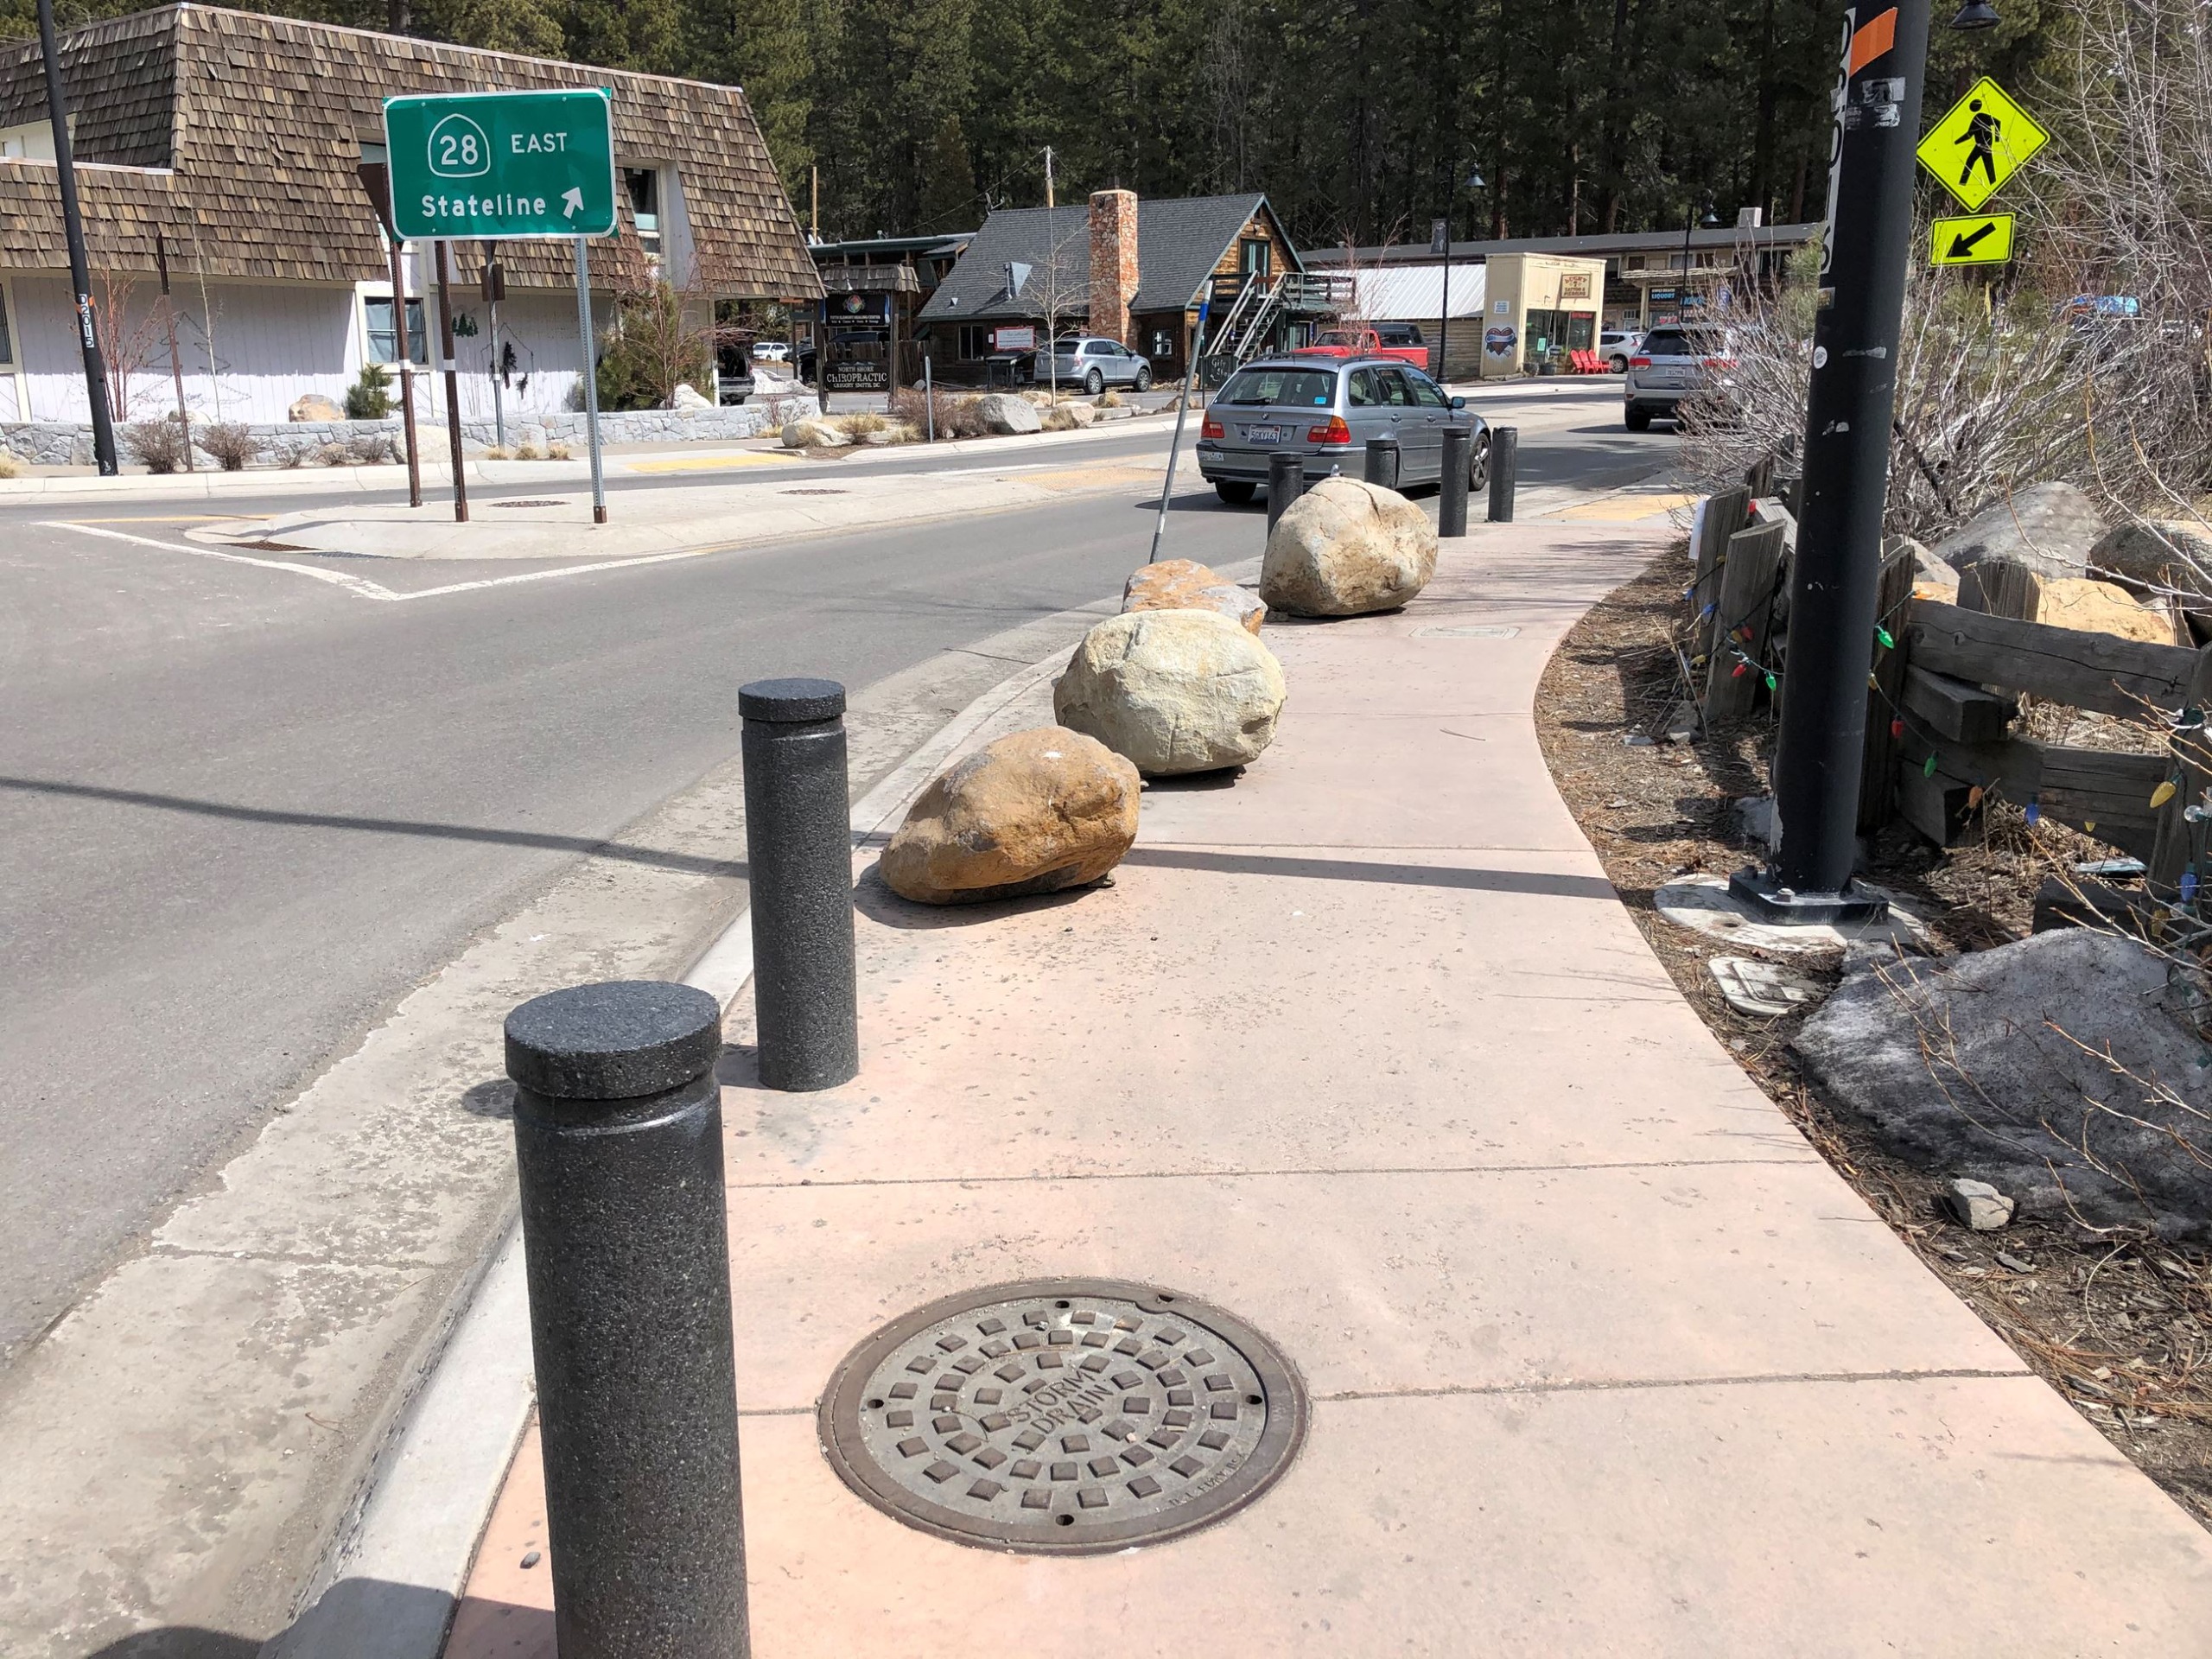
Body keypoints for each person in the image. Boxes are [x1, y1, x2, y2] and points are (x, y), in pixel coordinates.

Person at [1956, 99, 2001, 188]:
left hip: (1986, 145)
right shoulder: (1976, 119)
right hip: (1979, 145)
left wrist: (1997, 139)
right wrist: (1956, 142)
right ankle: (1962, 183)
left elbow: (1997, 122)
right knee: (1974, 162)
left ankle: (1992, 184)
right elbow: (1969, 134)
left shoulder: (1981, 116)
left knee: (1987, 165)